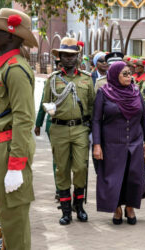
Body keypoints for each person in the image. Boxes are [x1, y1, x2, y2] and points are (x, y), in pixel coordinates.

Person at [0, 8, 38, 250]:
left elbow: (23, 119)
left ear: (11, 35)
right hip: (2, 147)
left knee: (15, 222)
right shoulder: (4, 67)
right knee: (8, 218)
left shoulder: (15, 69)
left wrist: (16, 166)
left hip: (11, 150)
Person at [43, 37, 95, 225]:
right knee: (62, 169)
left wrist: (93, 131)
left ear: (78, 57)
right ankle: (66, 212)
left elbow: (93, 105)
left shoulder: (87, 79)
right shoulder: (53, 79)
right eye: (65, 55)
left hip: (81, 128)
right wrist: (49, 110)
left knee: (81, 167)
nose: (69, 59)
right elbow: (46, 103)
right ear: (61, 57)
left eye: (72, 55)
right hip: (59, 128)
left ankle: (79, 206)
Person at [92, 61, 145, 225]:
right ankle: (116, 207)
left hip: (135, 140)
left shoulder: (136, 92)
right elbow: (96, 120)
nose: (129, 76)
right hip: (111, 142)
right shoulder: (103, 93)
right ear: (114, 75)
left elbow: (143, 118)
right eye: (124, 73)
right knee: (113, 178)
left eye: (129, 73)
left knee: (134, 177)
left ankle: (130, 207)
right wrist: (97, 144)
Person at [35, 58, 63, 202]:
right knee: (58, 159)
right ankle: (60, 189)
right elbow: (43, 104)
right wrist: (38, 123)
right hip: (53, 124)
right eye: (59, 65)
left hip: (73, 126)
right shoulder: (50, 81)